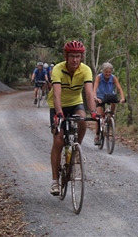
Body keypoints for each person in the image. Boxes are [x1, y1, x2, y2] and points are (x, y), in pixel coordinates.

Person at [47, 40, 97, 196]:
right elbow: (56, 94)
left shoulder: (86, 70)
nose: (75, 60)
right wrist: (59, 113)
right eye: (72, 56)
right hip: (58, 105)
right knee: (58, 140)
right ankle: (55, 181)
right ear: (66, 56)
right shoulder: (57, 69)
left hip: (76, 103)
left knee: (82, 120)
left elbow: (89, 93)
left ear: (81, 57)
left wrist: (94, 112)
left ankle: (76, 148)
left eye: (78, 56)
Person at [93, 62, 126, 145]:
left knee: (114, 102)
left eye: (109, 72)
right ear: (103, 71)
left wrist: (122, 98)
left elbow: (119, 88)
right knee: (99, 117)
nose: (108, 73)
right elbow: (95, 88)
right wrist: (95, 97)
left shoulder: (113, 78)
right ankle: (97, 135)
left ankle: (110, 116)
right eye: (106, 72)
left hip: (110, 96)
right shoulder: (99, 77)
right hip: (100, 97)